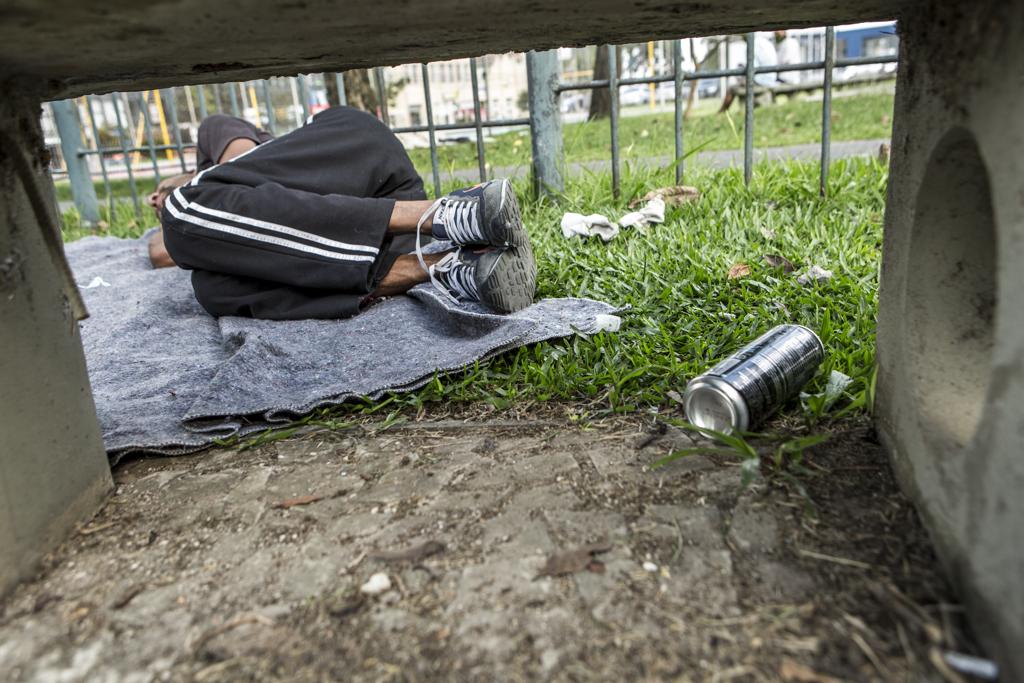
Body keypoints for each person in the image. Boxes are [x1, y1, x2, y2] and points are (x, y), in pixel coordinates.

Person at [148, 109, 536, 320]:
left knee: (185, 211)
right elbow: (166, 253)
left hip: (365, 161)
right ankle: (447, 265)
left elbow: (222, 189)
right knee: (212, 287)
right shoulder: (217, 212)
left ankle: (443, 213)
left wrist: (178, 187)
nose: (157, 198)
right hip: (364, 243)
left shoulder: (221, 134)